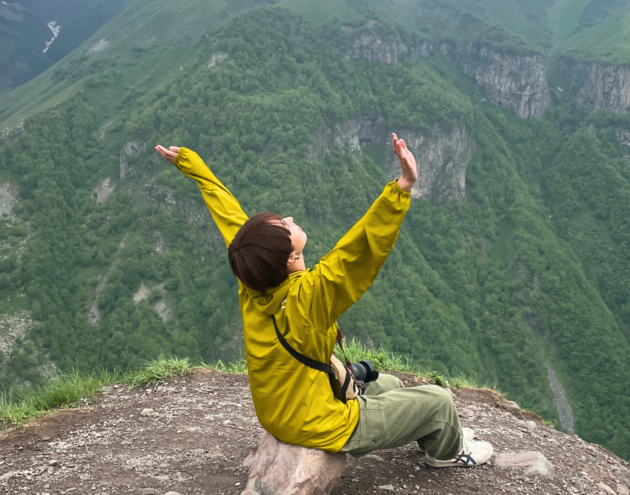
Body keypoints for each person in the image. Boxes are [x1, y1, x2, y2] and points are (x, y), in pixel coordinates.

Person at [154, 134, 493, 467]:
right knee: (439, 401)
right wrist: (402, 186)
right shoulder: (309, 297)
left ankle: (426, 429)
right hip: (318, 423)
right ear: (289, 258)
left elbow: (229, 216)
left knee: (389, 384)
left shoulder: (252, 272)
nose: (288, 219)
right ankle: (447, 454)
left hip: (278, 411)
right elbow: (357, 252)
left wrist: (192, 165)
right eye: (285, 227)